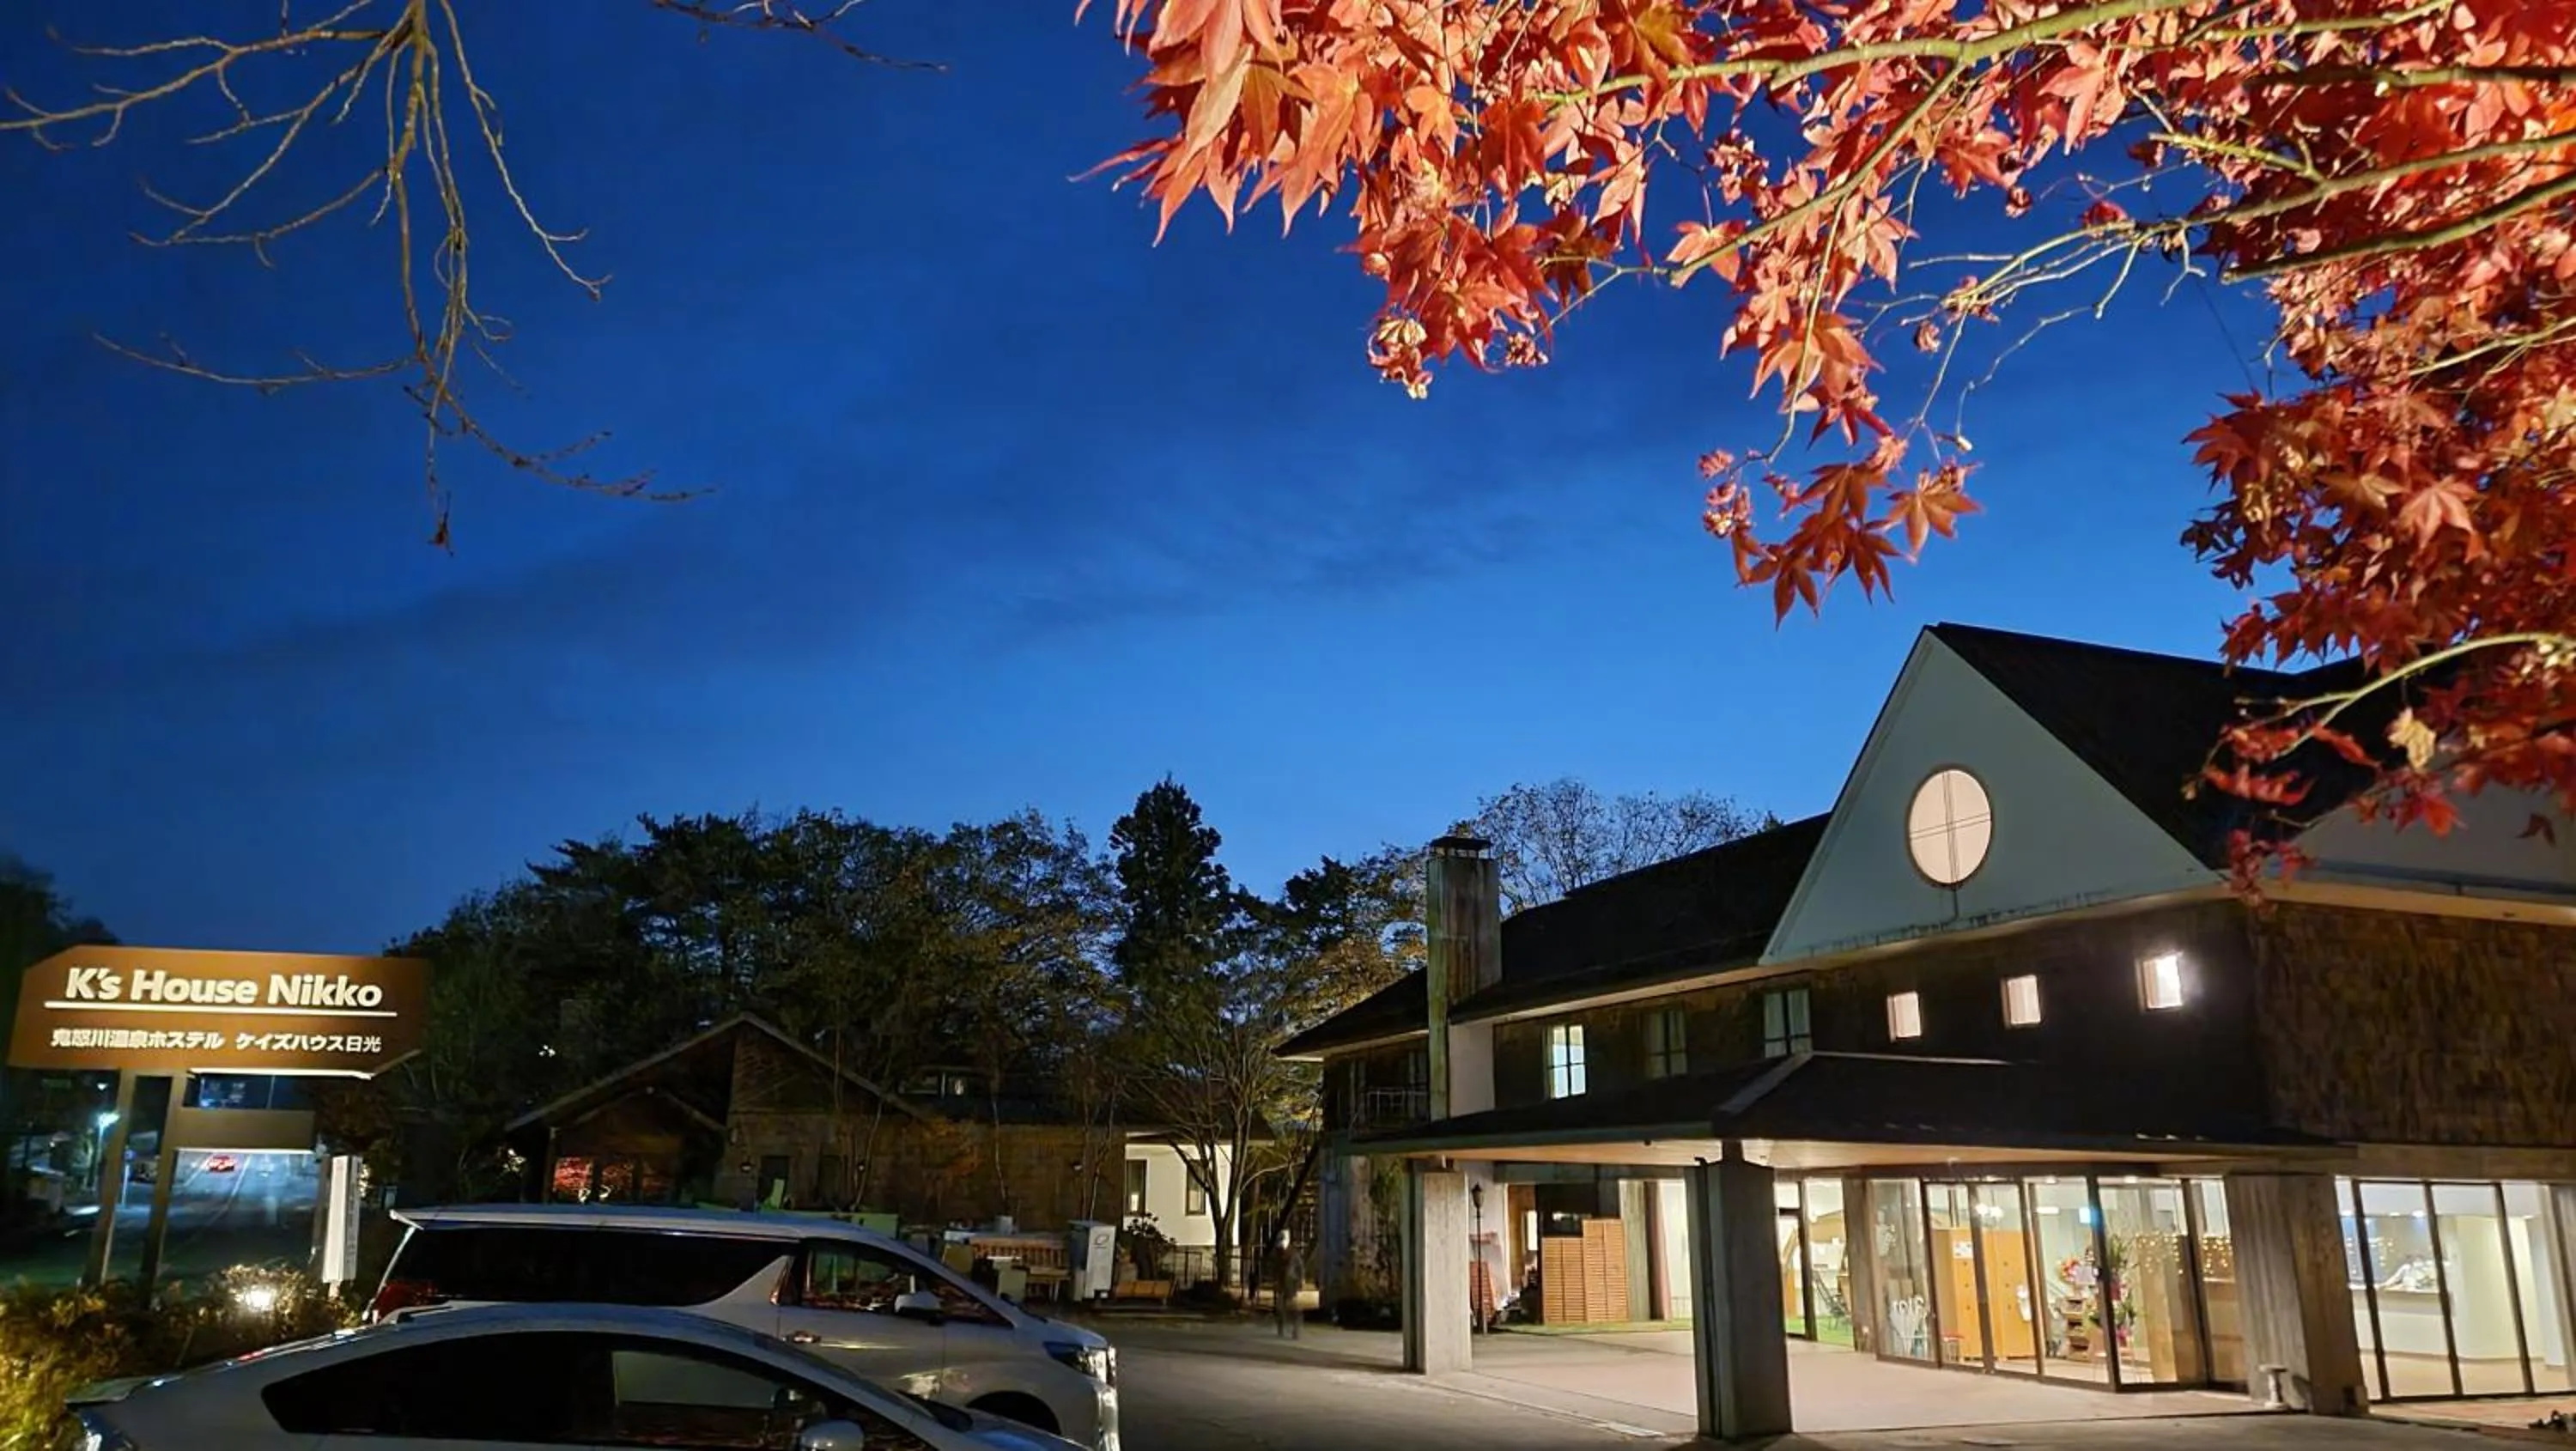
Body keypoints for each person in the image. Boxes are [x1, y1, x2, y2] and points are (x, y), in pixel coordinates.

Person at [1272, 1232, 1304, 1339]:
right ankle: (1280, 1328)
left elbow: (1300, 1268)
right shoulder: (1277, 1254)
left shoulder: (1293, 1254)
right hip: (1281, 1283)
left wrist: (1301, 1281)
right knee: (1280, 1307)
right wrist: (1275, 1280)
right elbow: (1275, 1268)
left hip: (1291, 1283)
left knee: (1293, 1308)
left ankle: (1296, 1330)